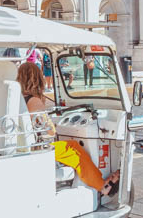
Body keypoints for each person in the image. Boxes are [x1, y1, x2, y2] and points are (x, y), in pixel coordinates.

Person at [18, 62, 120, 195]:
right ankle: (103, 186)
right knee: (74, 148)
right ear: (37, 79)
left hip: (22, 147)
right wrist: (52, 125)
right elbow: (50, 131)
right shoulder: (33, 101)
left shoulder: (20, 98)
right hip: (36, 149)